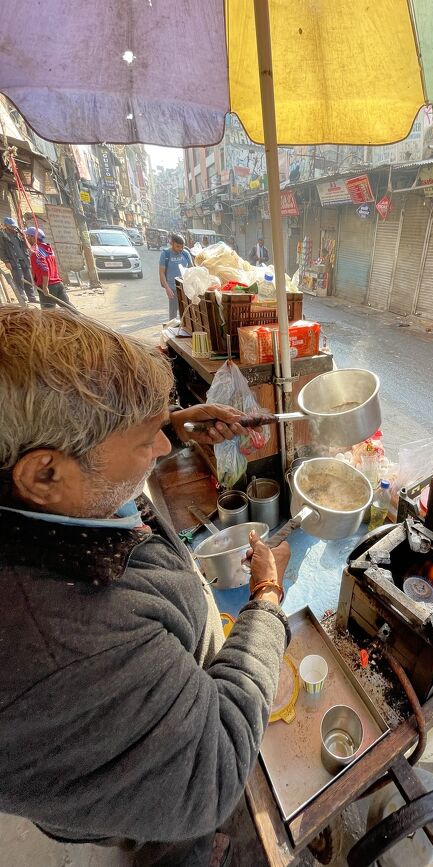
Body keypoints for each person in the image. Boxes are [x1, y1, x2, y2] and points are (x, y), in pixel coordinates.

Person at [0, 305, 291, 867]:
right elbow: (216, 768)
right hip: (137, 783)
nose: (160, 450)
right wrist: (265, 600)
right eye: (142, 441)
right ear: (44, 473)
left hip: (117, 733)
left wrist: (171, 424)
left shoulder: (45, 501)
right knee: (175, 836)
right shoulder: (69, 645)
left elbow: (111, 484)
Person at [25, 226, 72, 310]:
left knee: (48, 313)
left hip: (49, 285)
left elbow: (45, 269)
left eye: (27, 236)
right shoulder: (48, 249)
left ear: (33, 237)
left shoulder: (37, 252)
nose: (26, 238)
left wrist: (45, 286)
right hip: (58, 283)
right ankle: (83, 321)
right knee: (69, 308)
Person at [0, 217, 38, 304]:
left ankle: (32, 298)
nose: (14, 228)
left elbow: (27, 244)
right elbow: (1, 250)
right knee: (19, 280)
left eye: (14, 226)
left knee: (28, 279)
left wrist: (25, 236)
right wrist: (6, 261)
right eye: (12, 226)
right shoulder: (2, 236)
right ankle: (22, 299)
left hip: (24, 260)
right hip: (13, 261)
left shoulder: (19, 233)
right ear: (6, 226)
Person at [159, 232, 193, 320]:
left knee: (187, 313)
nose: (180, 249)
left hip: (185, 288)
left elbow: (192, 270)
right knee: (173, 314)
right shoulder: (165, 254)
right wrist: (167, 288)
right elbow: (161, 273)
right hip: (172, 288)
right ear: (172, 243)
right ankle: (172, 329)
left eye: (182, 246)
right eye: (178, 246)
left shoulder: (186, 253)